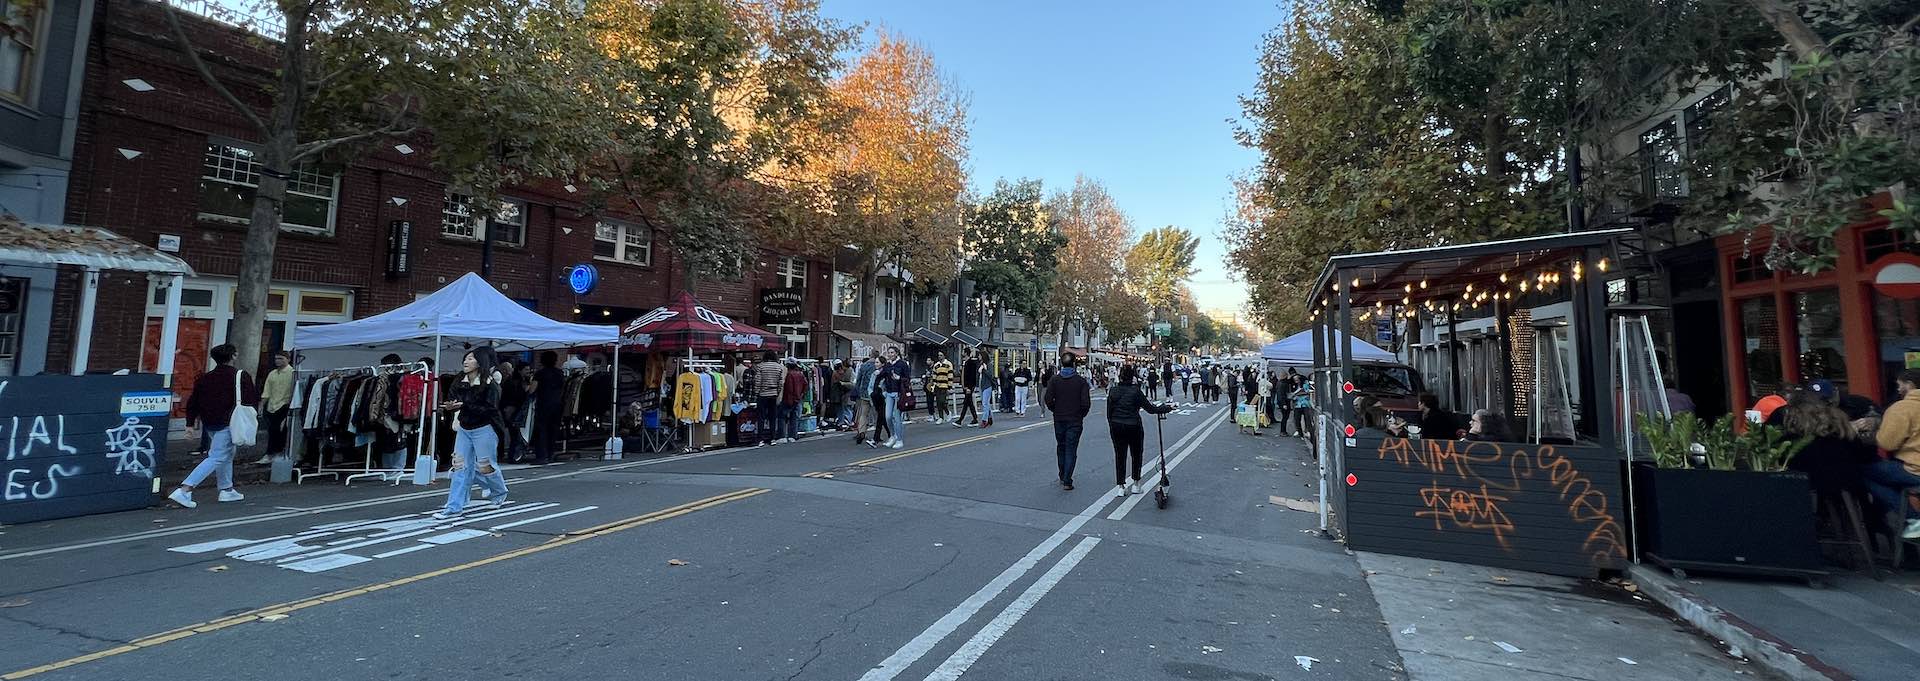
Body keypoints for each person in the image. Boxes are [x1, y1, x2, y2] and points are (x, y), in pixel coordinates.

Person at [167, 344, 260, 508]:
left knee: (225, 454)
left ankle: (227, 489)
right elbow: (250, 399)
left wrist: (189, 424)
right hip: (231, 421)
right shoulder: (240, 375)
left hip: (209, 422)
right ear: (234, 356)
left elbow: (193, 401)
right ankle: (185, 489)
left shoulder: (205, 377)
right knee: (218, 456)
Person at [433, 346, 510, 519]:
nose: (466, 362)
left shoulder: (490, 384)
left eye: (471, 358)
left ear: (480, 362)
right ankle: (454, 507)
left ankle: (499, 492)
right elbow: (453, 398)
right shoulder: (460, 379)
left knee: (486, 466)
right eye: (465, 358)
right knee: (459, 467)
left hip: (485, 428)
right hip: (464, 427)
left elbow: (490, 409)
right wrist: (451, 406)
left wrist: (464, 405)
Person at [1106, 365, 1174, 499]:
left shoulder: (1113, 391)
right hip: (1133, 425)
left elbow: (1109, 413)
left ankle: (1121, 486)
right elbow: (1150, 409)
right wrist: (1167, 409)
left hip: (1117, 425)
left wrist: (1112, 426)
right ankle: (1136, 484)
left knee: (1120, 455)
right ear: (1133, 377)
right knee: (1136, 454)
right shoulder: (1135, 391)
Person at [1870, 369, 1920, 539]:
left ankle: (1914, 518)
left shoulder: (1902, 408)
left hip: (1915, 470)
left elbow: (1887, 443)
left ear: (1910, 385)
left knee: (1858, 472)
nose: (1898, 390)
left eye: (1900, 385)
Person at [1044, 355, 1094, 491]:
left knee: (1061, 446)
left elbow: (1048, 399)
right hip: (1074, 419)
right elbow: (1085, 403)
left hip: (1059, 418)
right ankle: (1067, 479)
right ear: (1074, 364)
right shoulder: (1081, 382)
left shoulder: (1055, 380)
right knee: (1071, 449)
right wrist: (1080, 414)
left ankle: (1062, 475)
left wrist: (1055, 409)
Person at [253, 351, 295, 465]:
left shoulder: (292, 373)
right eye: (276, 359)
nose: (278, 361)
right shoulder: (272, 373)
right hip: (272, 405)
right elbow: (267, 390)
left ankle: (275, 453)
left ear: (288, 359)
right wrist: (262, 405)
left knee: (279, 431)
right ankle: (271, 454)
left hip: (284, 405)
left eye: (281, 359)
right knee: (272, 430)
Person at [529, 351, 565, 464]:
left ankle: (541, 455)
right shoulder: (560, 373)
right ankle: (550, 453)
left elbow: (532, 389)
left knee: (541, 430)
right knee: (553, 430)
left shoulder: (540, 373)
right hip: (557, 404)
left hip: (543, 404)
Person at [496, 358, 530, 462]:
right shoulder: (514, 383)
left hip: (513, 410)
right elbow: (515, 397)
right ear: (520, 370)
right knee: (515, 434)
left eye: (529, 370)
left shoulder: (517, 381)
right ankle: (513, 456)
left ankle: (513, 455)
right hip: (513, 411)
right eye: (526, 370)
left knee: (515, 434)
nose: (528, 372)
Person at [752, 350, 786, 447]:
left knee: (761, 417)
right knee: (772, 417)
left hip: (762, 394)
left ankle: (760, 439)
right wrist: (777, 391)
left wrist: (757, 392)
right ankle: (772, 438)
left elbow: (758, 381)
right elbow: (780, 382)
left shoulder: (760, 366)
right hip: (773, 394)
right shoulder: (779, 367)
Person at [881, 346, 910, 448]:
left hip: (899, 393)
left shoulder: (902, 364)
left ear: (896, 353)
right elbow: (883, 376)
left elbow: (907, 379)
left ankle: (899, 439)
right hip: (889, 392)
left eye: (892, 352)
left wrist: (899, 378)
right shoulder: (888, 365)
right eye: (889, 353)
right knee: (888, 416)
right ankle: (892, 435)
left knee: (897, 418)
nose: (890, 354)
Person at [854, 353, 881, 447]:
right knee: (877, 413)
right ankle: (877, 433)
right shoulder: (878, 366)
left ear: (870, 355)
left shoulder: (863, 365)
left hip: (864, 392)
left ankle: (861, 431)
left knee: (863, 414)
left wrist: (857, 390)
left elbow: (858, 379)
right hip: (875, 393)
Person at [781, 359, 807, 442]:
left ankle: (782, 435)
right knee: (794, 417)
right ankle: (793, 435)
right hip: (798, 399)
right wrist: (801, 394)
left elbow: (789, 388)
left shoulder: (789, 375)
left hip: (789, 399)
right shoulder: (800, 374)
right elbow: (805, 385)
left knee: (782, 417)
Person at [957, 349, 983, 426]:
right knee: (969, 403)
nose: (962, 353)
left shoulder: (971, 363)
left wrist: (969, 387)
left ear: (965, 353)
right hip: (965, 386)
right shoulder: (965, 362)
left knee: (966, 403)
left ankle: (960, 420)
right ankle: (975, 419)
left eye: (963, 352)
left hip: (969, 386)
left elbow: (972, 376)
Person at [930, 356, 955, 424]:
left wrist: (949, 386)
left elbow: (950, 375)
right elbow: (934, 375)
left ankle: (947, 412)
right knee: (938, 402)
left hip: (945, 385)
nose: (939, 357)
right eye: (938, 355)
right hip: (938, 385)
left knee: (942, 401)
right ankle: (941, 417)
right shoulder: (936, 365)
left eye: (941, 355)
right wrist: (934, 385)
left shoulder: (948, 364)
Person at [832, 360, 855, 429]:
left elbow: (852, 384)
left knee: (846, 408)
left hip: (847, 393)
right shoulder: (846, 372)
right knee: (846, 408)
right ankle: (847, 423)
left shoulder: (849, 371)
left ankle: (848, 423)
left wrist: (843, 383)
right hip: (844, 394)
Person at [979, 361, 998, 428]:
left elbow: (990, 375)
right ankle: (989, 418)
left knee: (985, 403)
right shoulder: (980, 365)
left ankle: (984, 420)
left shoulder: (989, 365)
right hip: (981, 385)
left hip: (987, 385)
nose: (979, 357)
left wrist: (985, 370)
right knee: (985, 403)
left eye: (980, 356)